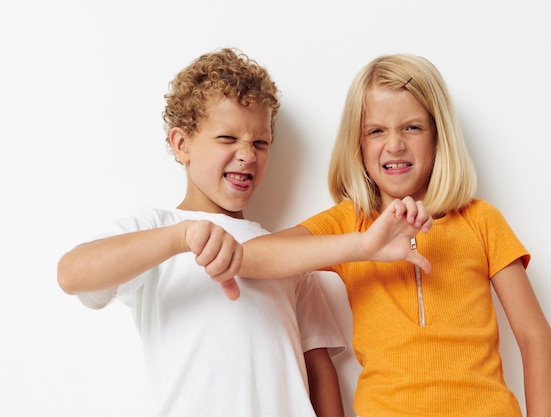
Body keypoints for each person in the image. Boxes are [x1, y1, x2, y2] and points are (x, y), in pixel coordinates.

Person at [230, 54, 551, 417]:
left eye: (412, 128)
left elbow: (535, 338)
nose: (395, 145)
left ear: (439, 137)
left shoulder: (480, 221)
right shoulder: (350, 223)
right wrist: (364, 245)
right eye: (376, 131)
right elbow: (248, 258)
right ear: (357, 143)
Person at [57, 48, 353, 417]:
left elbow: (319, 368)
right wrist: (179, 238)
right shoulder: (157, 229)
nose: (247, 155)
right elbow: (72, 274)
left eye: (260, 142)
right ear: (182, 144)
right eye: (228, 139)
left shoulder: (286, 252)